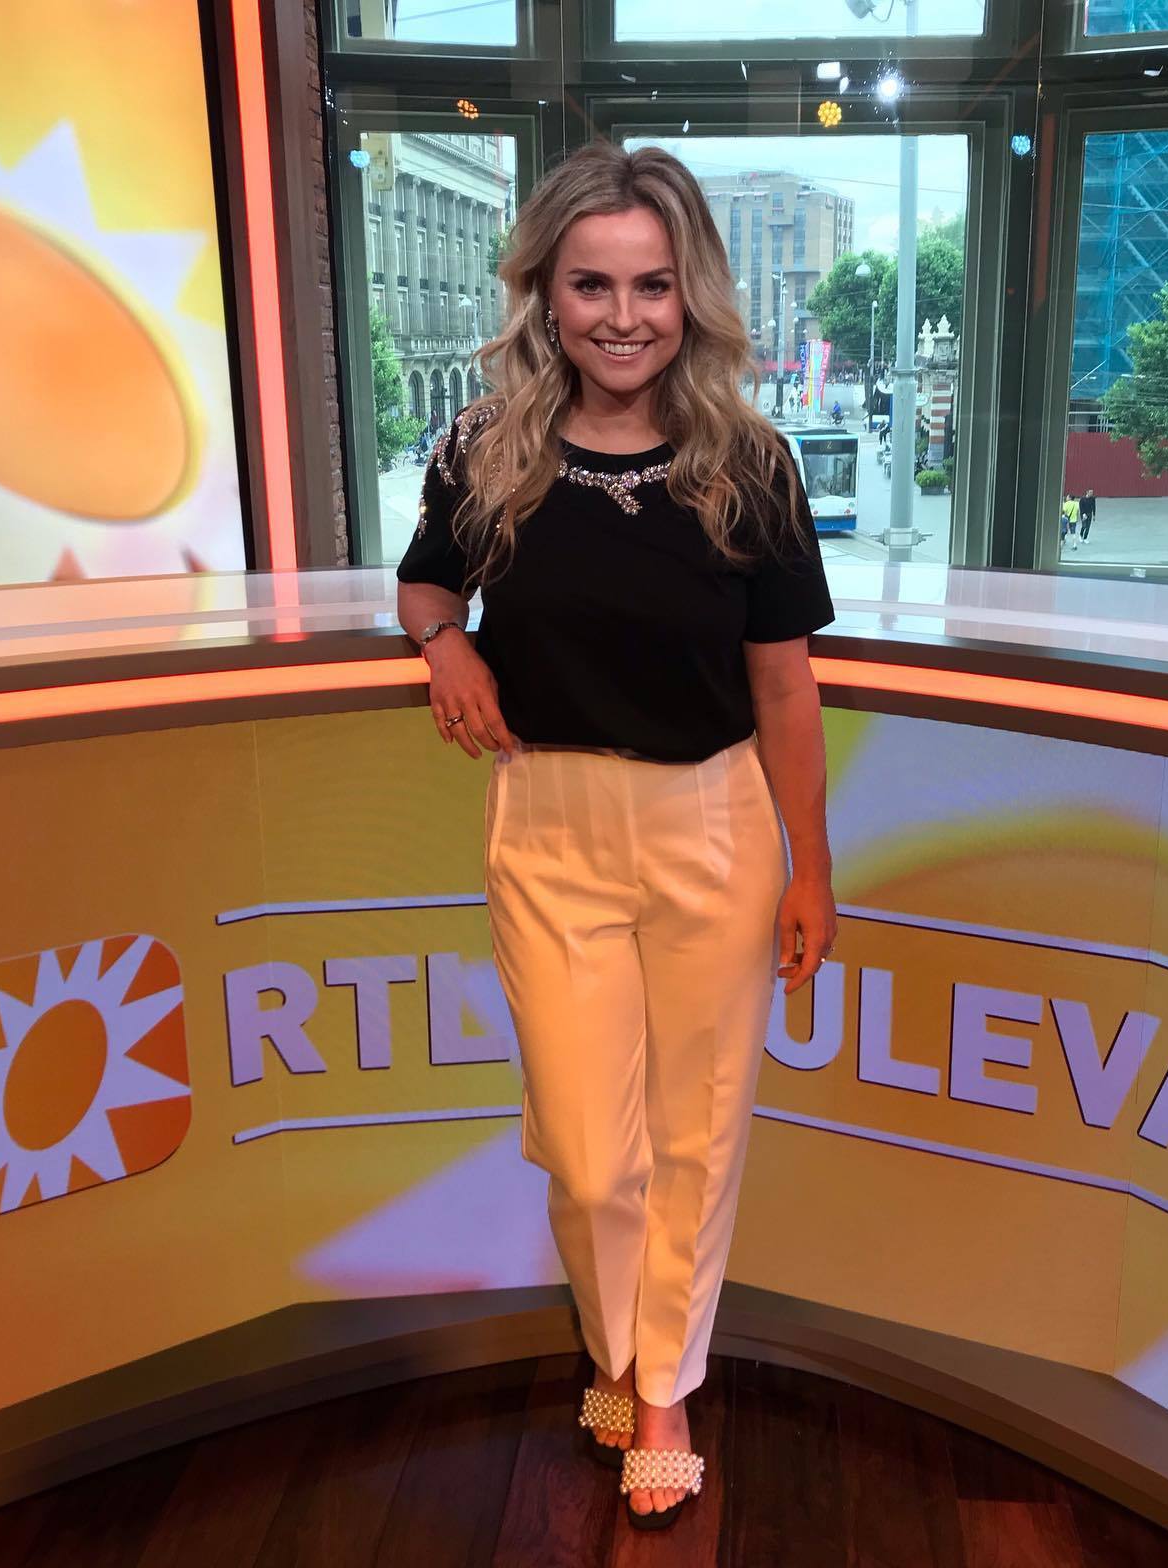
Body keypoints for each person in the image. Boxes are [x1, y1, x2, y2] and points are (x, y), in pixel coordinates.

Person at [395, 141, 837, 1534]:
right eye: (592, 284)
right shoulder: (485, 450)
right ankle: (618, 1338)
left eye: (652, 285)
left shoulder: (749, 465)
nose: (624, 316)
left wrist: (812, 869)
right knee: (591, 1153)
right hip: (548, 821)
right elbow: (423, 582)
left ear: (691, 295)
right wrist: (443, 645)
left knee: (697, 1133)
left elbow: (785, 688)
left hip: (714, 822)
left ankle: (659, 1389)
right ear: (546, 292)